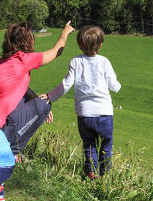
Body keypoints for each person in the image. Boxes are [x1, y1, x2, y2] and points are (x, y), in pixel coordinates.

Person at [0, 21, 75, 155]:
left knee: (31, 100)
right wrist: (65, 32)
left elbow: (21, 89)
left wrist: (35, 98)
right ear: (27, 41)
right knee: (44, 104)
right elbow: (56, 52)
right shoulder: (23, 59)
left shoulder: (3, 61)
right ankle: (12, 152)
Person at [45, 25, 121, 178]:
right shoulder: (104, 62)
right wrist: (118, 86)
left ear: (79, 44)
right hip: (105, 113)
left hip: (84, 114)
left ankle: (91, 171)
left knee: (89, 145)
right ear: (100, 45)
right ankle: (105, 174)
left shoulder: (76, 62)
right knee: (106, 144)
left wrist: (49, 96)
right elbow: (114, 86)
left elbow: (66, 85)